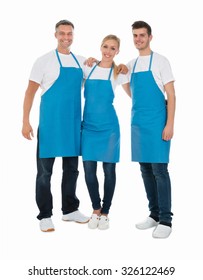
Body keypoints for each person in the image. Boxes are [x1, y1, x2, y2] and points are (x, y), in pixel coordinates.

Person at [22, 20, 90, 232]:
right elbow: (30, 92)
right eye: (62, 33)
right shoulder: (43, 61)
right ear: (55, 35)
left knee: (71, 170)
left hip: (71, 125)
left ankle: (70, 210)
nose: (66, 37)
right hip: (50, 125)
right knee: (44, 173)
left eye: (69, 34)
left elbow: (102, 76)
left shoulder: (81, 62)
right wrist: (25, 121)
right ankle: (45, 215)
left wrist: (114, 64)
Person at [127, 21, 176, 238]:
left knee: (160, 171)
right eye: (135, 35)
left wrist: (170, 124)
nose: (138, 39)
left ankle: (165, 219)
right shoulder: (131, 64)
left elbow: (171, 95)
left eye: (142, 35)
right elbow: (124, 85)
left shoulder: (161, 62)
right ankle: (154, 214)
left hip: (158, 124)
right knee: (145, 170)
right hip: (138, 124)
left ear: (150, 37)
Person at [81, 35, 131, 230]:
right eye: (105, 47)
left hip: (109, 128)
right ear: (100, 47)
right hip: (89, 127)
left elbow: (133, 93)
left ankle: (106, 212)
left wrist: (127, 68)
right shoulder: (88, 67)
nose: (108, 51)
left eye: (112, 48)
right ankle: (95, 208)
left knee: (109, 171)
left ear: (117, 51)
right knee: (88, 170)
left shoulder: (118, 73)